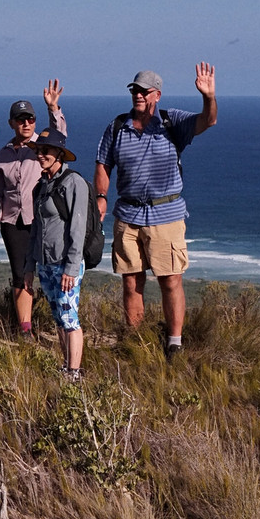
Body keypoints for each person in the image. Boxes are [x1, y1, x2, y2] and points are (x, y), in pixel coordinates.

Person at [93, 63, 217, 360]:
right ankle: (135, 342)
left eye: (144, 91)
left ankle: (174, 343)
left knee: (170, 279)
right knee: (131, 281)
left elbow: (207, 121)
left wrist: (208, 97)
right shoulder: (117, 126)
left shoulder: (171, 122)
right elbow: (103, 163)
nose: (138, 95)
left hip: (166, 214)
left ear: (157, 95)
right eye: (134, 90)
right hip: (128, 215)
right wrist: (101, 196)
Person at [0, 80, 67, 338]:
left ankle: (62, 322)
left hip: (42, 219)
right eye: (21, 120)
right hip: (12, 221)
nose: (26, 123)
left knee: (51, 271)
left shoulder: (42, 145)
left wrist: (53, 108)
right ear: (11, 123)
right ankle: (25, 329)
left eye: (30, 119)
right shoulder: (3, 154)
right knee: (20, 274)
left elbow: (60, 135)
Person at [24, 128, 88, 380]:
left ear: (59, 154)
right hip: (45, 262)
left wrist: (71, 268)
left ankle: (74, 373)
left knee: (70, 318)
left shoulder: (74, 183)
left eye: (46, 150)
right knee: (59, 317)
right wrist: (29, 266)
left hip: (65, 263)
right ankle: (66, 366)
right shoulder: (41, 186)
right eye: (38, 150)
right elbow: (35, 229)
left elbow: (78, 229)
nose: (41, 154)